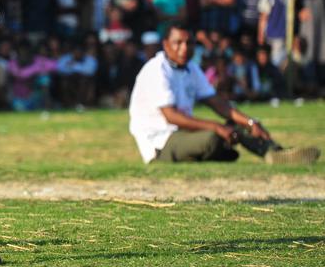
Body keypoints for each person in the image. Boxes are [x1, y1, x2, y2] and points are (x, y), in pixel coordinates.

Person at [128, 25, 319, 164]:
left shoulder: (190, 67)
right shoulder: (156, 70)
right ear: (166, 45)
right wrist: (217, 127)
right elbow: (172, 117)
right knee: (214, 137)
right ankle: (213, 152)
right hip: (159, 143)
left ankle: (274, 153)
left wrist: (251, 122)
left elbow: (218, 103)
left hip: (181, 134)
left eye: (189, 43)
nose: (184, 48)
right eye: (178, 43)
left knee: (233, 127)